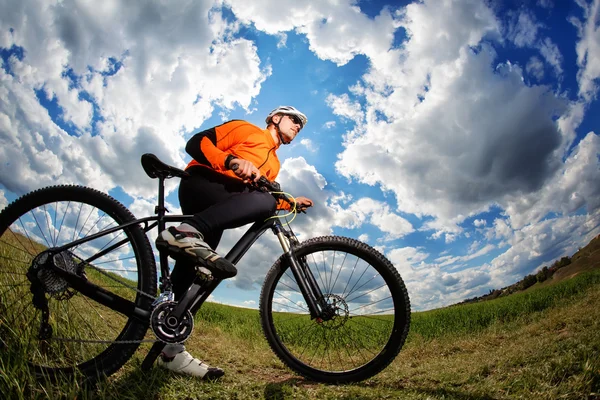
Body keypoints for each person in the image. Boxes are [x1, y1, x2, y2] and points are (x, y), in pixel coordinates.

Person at [154, 106, 314, 379]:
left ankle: (171, 348)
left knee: (195, 277)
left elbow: (267, 189)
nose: (298, 126)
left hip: (224, 204)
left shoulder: (274, 164)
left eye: (301, 125)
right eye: (295, 119)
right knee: (265, 202)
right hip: (203, 182)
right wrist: (231, 161)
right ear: (276, 118)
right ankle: (184, 231)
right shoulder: (246, 129)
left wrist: (291, 201)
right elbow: (196, 143)